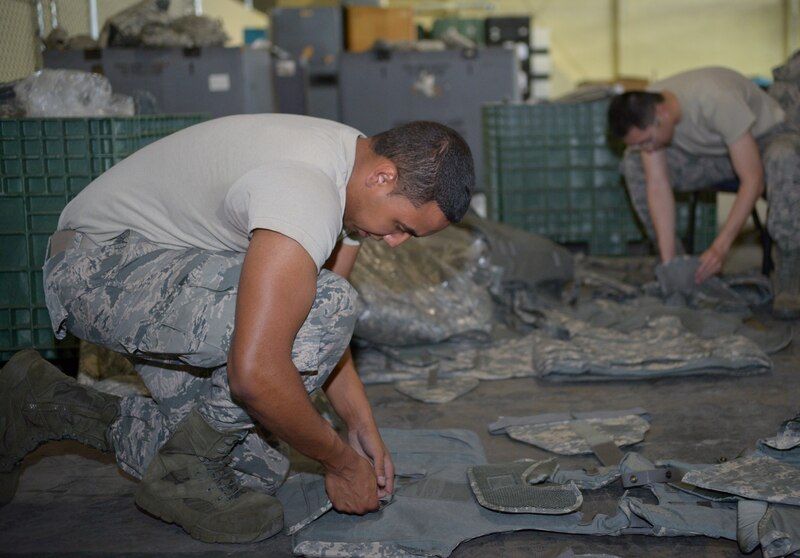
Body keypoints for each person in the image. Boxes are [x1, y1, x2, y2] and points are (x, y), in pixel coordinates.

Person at [0, 115, 474, 542]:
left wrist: (359, 422)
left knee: (254, 472)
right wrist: (342, 463)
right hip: (95, 268)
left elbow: (319, 337)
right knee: (325, 310)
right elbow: (258, 370)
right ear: (384, 176)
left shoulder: (351, 169)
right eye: (401, 227)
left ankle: (40, 403)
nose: (393, 243)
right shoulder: (305, 189)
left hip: (164, 271)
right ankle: (187, 464)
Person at [607, 67, 800, 319]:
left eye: (646, 141)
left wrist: (719, 248)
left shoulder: (716, 98)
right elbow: (657, 184)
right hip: (715, 155)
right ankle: (677, 266)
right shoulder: (647, 110)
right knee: (633, 164)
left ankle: (788, 280)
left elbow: (753, 180)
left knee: (787, 159)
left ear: (661, 113)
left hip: (765, 141)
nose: (646, 148)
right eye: (639, 143)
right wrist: (671, 267)